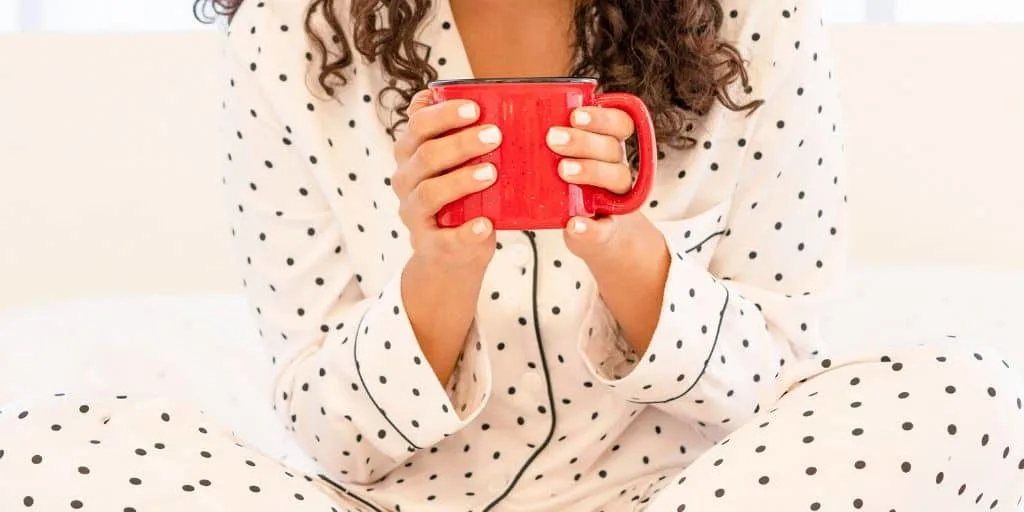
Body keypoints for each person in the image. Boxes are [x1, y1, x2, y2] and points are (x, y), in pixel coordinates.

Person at [2, 0, 1023, 510]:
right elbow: (323, 423)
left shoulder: (756, 21)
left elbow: (789, 371)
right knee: (43, 451)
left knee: (967, 395)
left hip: (683, 498)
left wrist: (632, 260)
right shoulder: (294, 29)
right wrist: (433, 280)